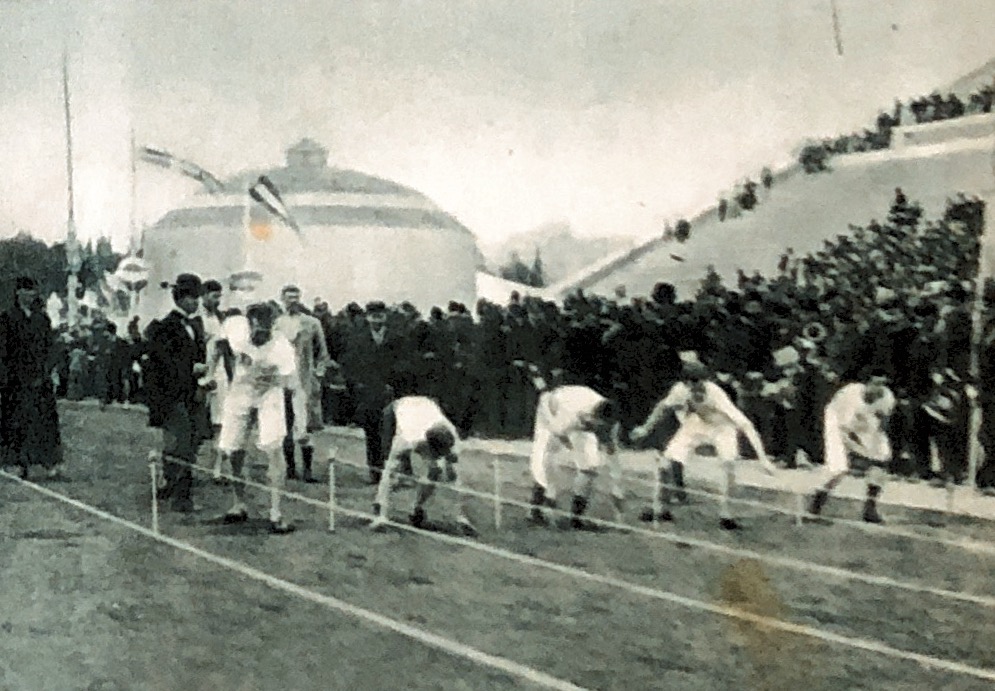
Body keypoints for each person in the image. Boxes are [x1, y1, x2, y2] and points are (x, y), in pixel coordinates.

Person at [631, 353, 776, 530]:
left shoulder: (716, 394)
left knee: (728, 464)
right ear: (687, 383)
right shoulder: (680, 390)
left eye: (701, 383)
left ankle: (726, 514)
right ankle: (661, 508)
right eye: (694, 384)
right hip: (697, 424)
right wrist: (645, 428)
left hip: (723, 427)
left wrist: (763, 459)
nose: (698, 389)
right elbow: (663, 407)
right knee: (665, 465)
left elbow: (747, 426)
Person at [215, 303, 297, 534]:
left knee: (274, 447)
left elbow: (290, 383)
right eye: (257, 326)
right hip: (240, 391)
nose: (261, 332)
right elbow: (218, 345)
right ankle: (239, 503)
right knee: (233, 449)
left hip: (269, 394)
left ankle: (276, 511)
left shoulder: (282, 347)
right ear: (249, 323)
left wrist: (299, 419)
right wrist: (215, 371)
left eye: (266, 327)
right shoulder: (235, 329)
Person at [144, 274, 209, 513]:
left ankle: (171, 482)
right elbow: (163, 361)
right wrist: (189, 369)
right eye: (192, 298)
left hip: (192, 393)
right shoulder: (165, 327)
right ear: (180, 299)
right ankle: (181, 495)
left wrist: (202, 377)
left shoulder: (194, 326)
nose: (196, 302)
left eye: (197, 297)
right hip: (171, 394)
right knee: (181, 441)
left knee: (191, 441)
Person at [370, 395, 475, 535]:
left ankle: (416, 509)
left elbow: (454, 477)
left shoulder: (451, 435)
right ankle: (379, 507)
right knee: (392, 470)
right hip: (396, 412)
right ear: (429, 447)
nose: (441, 457)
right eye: (438, 454)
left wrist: (460, 516)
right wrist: (382, 517)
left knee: (436, 470)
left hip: (425, 407)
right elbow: (389, 470)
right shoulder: (407, 438)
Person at [527, 378, 624, 530]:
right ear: (593, 417)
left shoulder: (610, 420)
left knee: (590, 467)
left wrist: (617, 486)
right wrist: (551, 493)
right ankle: (535, 511)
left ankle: (576, 519)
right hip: (551, 410)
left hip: (579, 415)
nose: (601, 432)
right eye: (599, 427)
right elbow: (558, 433)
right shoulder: (569, 415)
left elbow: (611, 451)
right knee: (545, 460)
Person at [0, 277, 66, 480]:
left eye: (33, 292)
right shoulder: (7, 318)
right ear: (18, 293)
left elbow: (50, 347)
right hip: (16, 381)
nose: (31, 295)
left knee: (45, 421)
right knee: (15, 422)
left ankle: (50, 463)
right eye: (27, 291)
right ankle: (16, 463)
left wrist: (48, 370)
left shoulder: (42, 319)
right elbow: (3, 351)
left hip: (40, 378)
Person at [807, 375, 896, 524]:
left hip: (864, 423)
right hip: (836, 421)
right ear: (866, 383)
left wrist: (874, 450)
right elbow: (844, 432)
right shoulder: (850, 397)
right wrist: (860, 451)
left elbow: (882, 427)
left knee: (883, 455)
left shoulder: (886, 397)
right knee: (839, 468)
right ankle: (816, 503)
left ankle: (870, 507)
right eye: (875, 383)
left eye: (882, 384)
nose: (878, 388)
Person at [275, 285, 331, 483]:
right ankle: (290, 468)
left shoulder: (311, 322)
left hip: (304, 381)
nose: (293, 301)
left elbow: (323, 353)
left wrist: (318, 373)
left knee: (304, 425)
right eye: (289, 297)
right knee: (284, 424)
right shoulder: (276, 324)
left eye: (296, 297)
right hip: (281, 381)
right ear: (282, 298)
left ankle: (307, 469)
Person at [339, 301, 398, 484]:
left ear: (385, 316)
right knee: (372, 432)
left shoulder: (396, 338)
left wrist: (393, 383)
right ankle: (375, 471)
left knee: (391, 432)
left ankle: (392, 470)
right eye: (373, 315)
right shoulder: (358, 338)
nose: (376, 319)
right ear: (367, 317)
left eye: (380, 315)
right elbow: (350, 364)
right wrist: (358, 385)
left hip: (391, 391)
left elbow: (404, 362)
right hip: (368, 392)